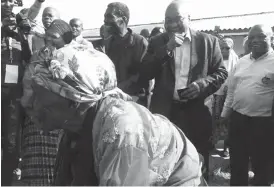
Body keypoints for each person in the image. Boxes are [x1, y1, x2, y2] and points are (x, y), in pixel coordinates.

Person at [20, 20, 206, 185]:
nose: (32, 105)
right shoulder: (73, 126)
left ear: (75, 101)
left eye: (41, 99)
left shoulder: (123, 132)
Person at [139, 0, 228, 180]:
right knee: (162, 164)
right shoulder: (157, 42)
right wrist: (167, 49)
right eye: (167, 19)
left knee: (196, 162)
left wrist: (201, 85)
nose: (171, 24)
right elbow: (145, 72)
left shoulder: (208, 42)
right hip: (165, 115)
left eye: (177, 19)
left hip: (195, 113)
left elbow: (221, 72)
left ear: (189, 18)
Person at [221, 24, 274, 186]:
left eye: (261, 37)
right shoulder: (241, 62)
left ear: (271, 39)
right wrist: (224, 115)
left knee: (262, 166)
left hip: (263, 123)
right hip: (238, 120)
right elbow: (231, 91)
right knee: (237, 164)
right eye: (251, 37)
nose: (255, 41)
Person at [20, 19, 70, 186]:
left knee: (59, 165)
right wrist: (29, 107)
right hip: (37, 118)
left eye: (53, 36)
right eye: (47, 36)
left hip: (60, 121)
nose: (49, 40)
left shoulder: (71, 58)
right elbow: (28, 83)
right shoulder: (39, 55)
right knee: (35, 167)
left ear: (65, 38)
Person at [1, 0, 45, 185]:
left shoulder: (20, 32)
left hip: (12, 94)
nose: (8, 4)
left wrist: (38, 2)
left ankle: (5, 179)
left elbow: (32, 14)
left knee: (11, 142)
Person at [103, 2, 149, 107]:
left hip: (135, 101)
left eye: (109, 16)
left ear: (123, 19)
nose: (105, 20)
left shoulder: (140, 42)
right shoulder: (109, 42)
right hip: (113, 100)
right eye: (105, 16)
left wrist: (120, 88)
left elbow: (144, 76)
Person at [212, 37, 238, 157]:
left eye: (227, 48)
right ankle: (214, 144)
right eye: (221, 48)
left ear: (231, 48)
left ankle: (226, 147)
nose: (223, 50)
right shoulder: (216, 60)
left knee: (227, 120)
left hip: (230, 96)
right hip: (217, 94)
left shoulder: (236, 61)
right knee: (216, 119)